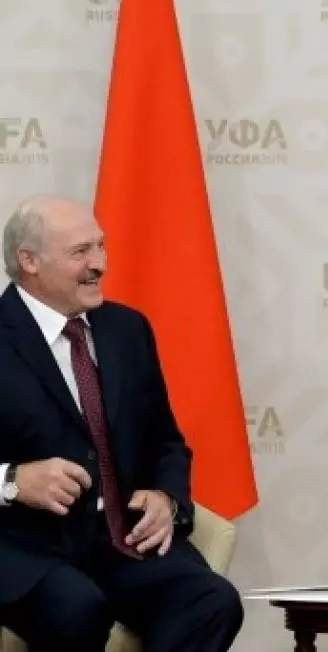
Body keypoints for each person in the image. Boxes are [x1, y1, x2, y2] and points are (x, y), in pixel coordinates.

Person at [0, 195, 242, 651]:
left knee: (212, 602)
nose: (100, 264)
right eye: (80, 252)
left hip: (120, 539)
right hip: (25, 548)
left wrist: (166, 497)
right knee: (77, 608)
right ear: (29, 261)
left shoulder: (126, 329)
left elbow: (167, 442)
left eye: (101, 246)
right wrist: (12, 481)